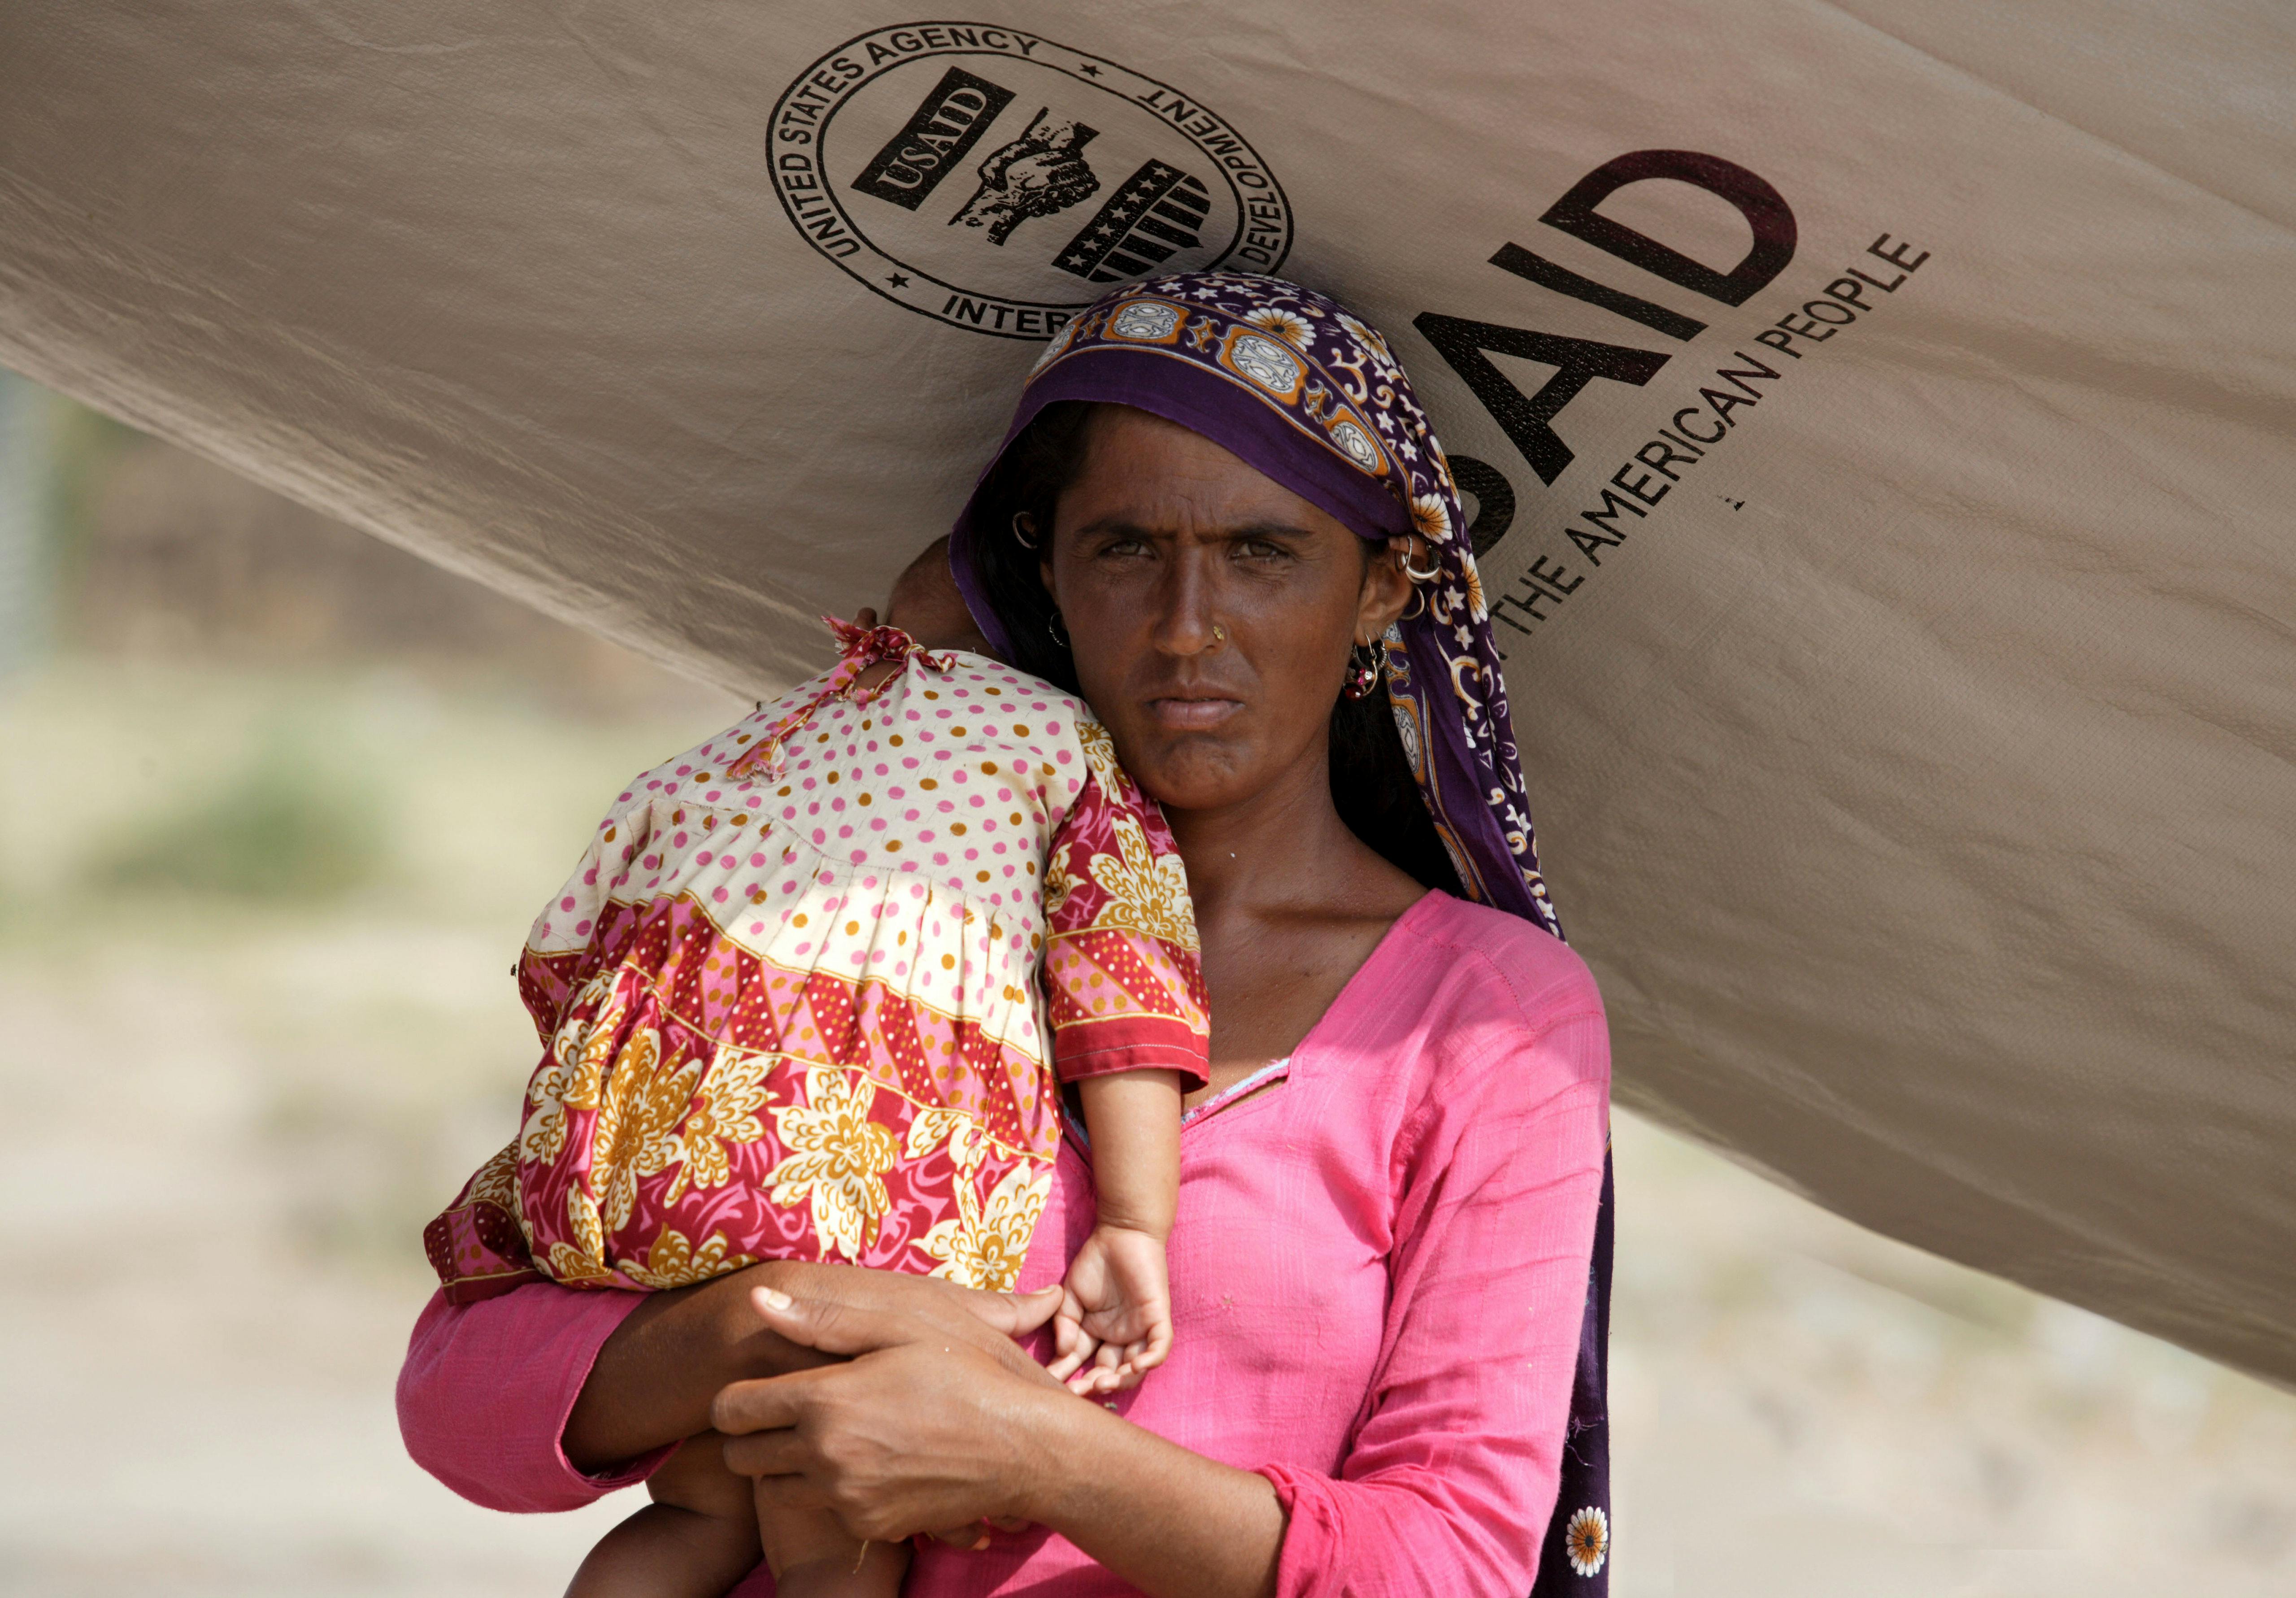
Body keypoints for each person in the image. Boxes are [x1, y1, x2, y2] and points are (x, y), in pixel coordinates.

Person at [399, 271, 1614, 1597]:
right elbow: (456, 1395)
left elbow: (1454, 1568)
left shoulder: (1489, 1017)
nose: (1187, 623)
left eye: (1264, 552)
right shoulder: (871, 920)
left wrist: (1039, 1454)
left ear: (1382, 590)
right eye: (1128, 549)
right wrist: (765, 1317)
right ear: (1048, 567)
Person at [420, 540, 1209, 1597]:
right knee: (833, 1517)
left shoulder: (757, 734)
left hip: (653, 1163)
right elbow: (1126, 984)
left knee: (703, 1499)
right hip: (855, 1188)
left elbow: (561, 954)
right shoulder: (1057, 740)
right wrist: (1133, 1224)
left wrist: (638, 1125)